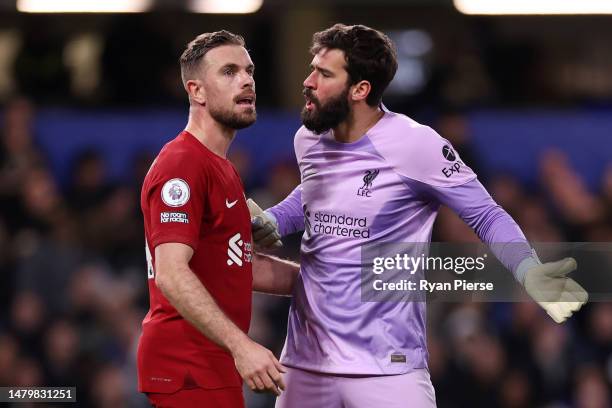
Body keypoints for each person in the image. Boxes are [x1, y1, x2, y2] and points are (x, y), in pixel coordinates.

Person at [249, 24, 588, 408]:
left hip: (388, 368)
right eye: (313, 69)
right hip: (305, 365)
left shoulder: (416, 145)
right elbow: (313, 196)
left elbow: (486, 215)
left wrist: (528, 270)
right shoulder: (308, 139)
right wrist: (275, 220)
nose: (308, 81)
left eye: (324, 74)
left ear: (360, 90)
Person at [137, 30, 287, 408]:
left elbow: (239, 268)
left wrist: (328, 281)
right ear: (197, 91)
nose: (247, 80)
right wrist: (243, 346)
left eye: (249, 70)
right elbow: (171, 272)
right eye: (229, 71)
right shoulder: (183, 163)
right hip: (186, 366)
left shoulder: (222, 169)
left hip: (208, 366)